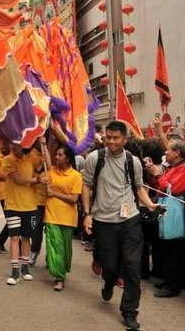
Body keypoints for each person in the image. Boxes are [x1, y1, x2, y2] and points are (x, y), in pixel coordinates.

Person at [81, 121, 160, 330]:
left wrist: (151, 204)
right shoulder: (94, 158)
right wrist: (87, 214)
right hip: (104, 221)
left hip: (130, 219)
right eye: (109, 137)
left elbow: (139, 188)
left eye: (116, 138)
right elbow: (86, 186)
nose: (112, 141)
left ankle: (129, 311)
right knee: (110, 266)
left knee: (133, 267)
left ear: (125, 139)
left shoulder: (132, 161)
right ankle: (109, 281)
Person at [145, 139, 185, 298]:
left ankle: (173, 285)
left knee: (174, 248)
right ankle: (169, 280)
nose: (165, 153)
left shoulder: (182, 168)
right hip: (167, 210)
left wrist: (158, 175)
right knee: (166, 247)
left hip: (175, 212)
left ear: (177, 153)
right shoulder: (173, 167)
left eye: (168, 150)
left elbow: (173, 188)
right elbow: (162, 185)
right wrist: (155, 176)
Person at [2, 142, 43, 285]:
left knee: (26, 238)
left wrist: (44, 143)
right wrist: (36, 179)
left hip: (30, 206)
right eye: (12, 144)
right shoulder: (7, 160)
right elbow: (18, 180)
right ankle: (14, 271)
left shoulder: (32, 157)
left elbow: (44, 165)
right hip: (13, 206)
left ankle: (25, 268)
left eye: (17, 145)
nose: (13, 147)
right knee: (14, 237)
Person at [43, 145, 82, 291]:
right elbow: (47, 162)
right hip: (51, 214)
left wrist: (54, 193)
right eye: (56, 154)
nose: (56, 157)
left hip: (68, 217)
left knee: (65, 249)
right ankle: (59, 278)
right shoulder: (51, 171)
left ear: (67, 158)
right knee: (54, 245)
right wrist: (44, 145)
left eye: (60, 155)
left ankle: (60, 268)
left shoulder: (76, 176)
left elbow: (74, 199)